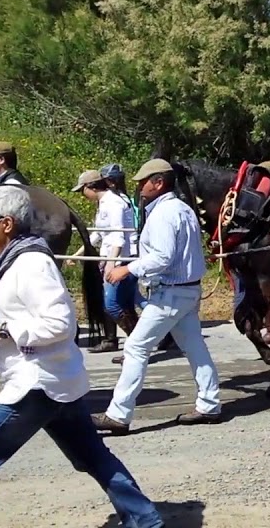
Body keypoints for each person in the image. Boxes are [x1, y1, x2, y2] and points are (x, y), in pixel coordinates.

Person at [0, 186, 163, 528]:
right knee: (92, 456)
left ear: (8, 224)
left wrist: (1, 330)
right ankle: (146, 520)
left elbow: (60, 323)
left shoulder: (31, 263)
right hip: (56, 380)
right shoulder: (11, 260)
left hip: (36, 384)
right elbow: (13, 310)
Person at [92, 159, 222, 434]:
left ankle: (119, 413)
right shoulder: (183, 209)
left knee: (136, 348)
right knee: (195, 348)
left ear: (159, 183)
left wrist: (126, 269)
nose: (139, 187)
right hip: (186, 290)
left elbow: (162, 257)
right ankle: (210, 404)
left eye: (143, 182)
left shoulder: (164, 213)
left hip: (169, 293)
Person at [71, 169, 141, 356]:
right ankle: (137, 347)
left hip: (122, 259)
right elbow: (99, 234)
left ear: (90, 187)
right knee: (125, 304)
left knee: (112, 304)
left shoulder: (114, 203)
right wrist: (77, 254)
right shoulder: (104, 204)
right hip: (113, 259)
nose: (82, 196)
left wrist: (111, 263)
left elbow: (119, 236)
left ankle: (139, 344)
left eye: (82, 191)